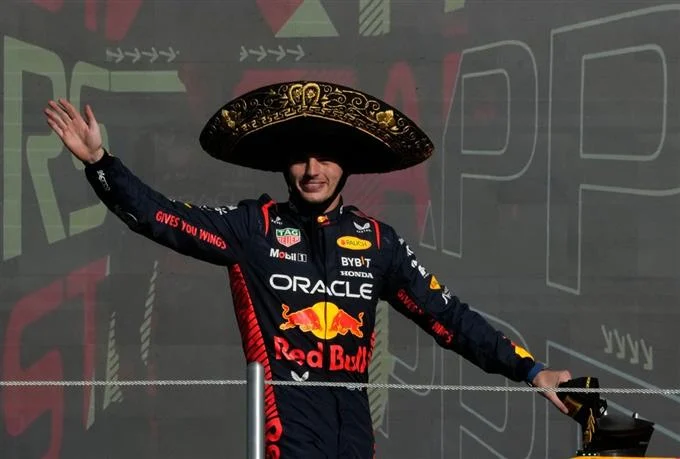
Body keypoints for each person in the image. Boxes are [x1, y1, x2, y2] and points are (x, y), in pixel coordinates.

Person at [44, 80, 572, 459]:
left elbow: (448, 317)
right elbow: (160, 219)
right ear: (284, 164)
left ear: (348, 165)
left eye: (326, 158)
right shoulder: (253, 227)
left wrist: (530, 371)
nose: (312, 170)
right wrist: (100, 163)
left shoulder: (378, 242)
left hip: (354, 434)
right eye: (300, 158)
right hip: (285, 432)